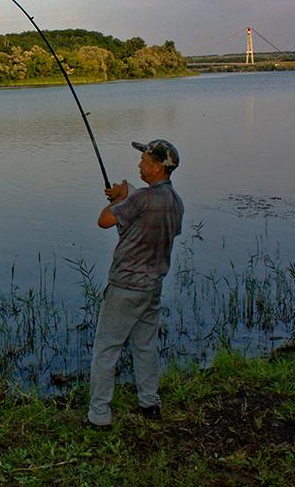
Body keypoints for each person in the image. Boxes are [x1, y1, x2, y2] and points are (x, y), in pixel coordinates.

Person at [85, 139, 184, 428]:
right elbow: (150, 208)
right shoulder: (175, 201)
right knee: (145, 345)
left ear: (157, 167)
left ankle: (99, 415)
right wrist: (127, 194)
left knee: (106, 349)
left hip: (125, 287)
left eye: (144, 160)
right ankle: (149, 402)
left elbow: (104, 220)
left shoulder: (140, 200)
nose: (140, 163)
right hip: (153, 286)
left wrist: (118, 200)